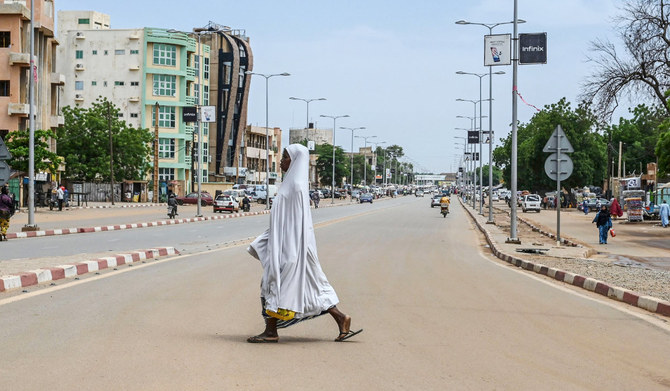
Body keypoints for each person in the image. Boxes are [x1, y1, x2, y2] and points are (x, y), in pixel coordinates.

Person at [246, 144, 362, 343]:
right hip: (290, 247)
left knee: (272, 285)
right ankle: (342, 318)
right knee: (311, 289)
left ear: (295, 160)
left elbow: (297, 224)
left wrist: (289, 253)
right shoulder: (291, 184)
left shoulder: (296, 187)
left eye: (285, 157)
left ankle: (271, 332)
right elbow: (285, 222)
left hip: (291, 249)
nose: (281, 161)